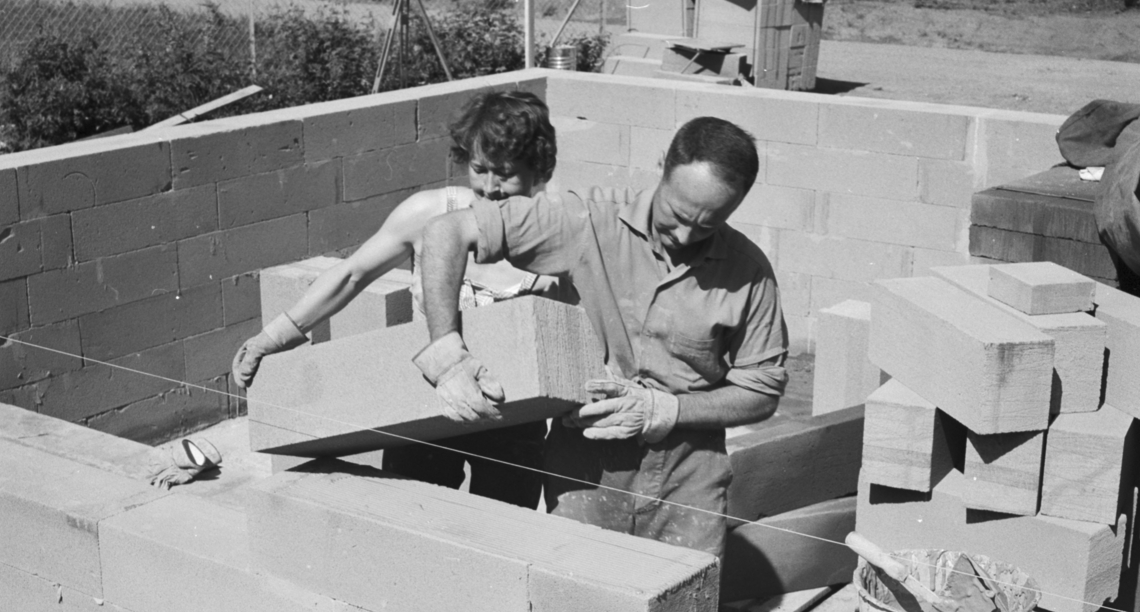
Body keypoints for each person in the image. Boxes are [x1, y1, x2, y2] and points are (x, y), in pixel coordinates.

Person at [414, 116, 788, 558]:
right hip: (586, 467)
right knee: (576, 585)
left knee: (684, 595)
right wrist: (446, 350)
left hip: (689, 477)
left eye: (708, 225)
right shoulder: (587, 223)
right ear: (662, 167)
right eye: (677, 215)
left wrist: (665, 409)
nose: (686, 236)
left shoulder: (749, 273)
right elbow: (447, 231)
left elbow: (761, 391)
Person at [230, 89, 560, 508]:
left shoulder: (559, 235)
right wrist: (273, 337)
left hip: (512, 416)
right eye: (479, 169)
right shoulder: (429, 213)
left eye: (507, 174)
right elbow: (352, 274)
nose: (490, 188)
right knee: (409, 514)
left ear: (539, 170)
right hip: (424, 404)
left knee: (502, 531)